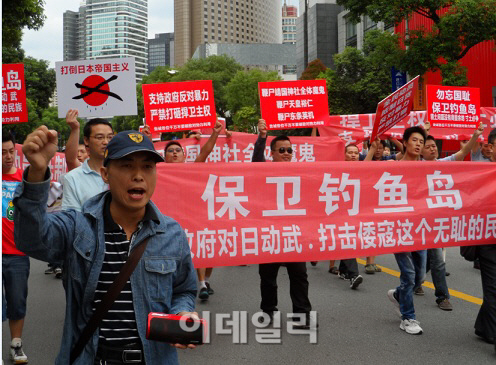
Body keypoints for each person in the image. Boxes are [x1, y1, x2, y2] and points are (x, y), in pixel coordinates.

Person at [14, 127, 198, 364]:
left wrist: (182, 313)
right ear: (105, 173)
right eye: (127, 165)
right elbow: (31, 239)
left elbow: (184, 289)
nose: (139, 175)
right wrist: (37, 174)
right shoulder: (78, 226)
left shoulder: (171, 233)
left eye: (147, 167)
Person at [252, 119, 315, 329]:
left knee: (299, 275)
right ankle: (268, 311)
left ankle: (302, 315)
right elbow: (255, 161)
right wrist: (262, 138)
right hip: (269, 233)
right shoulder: (263, 172)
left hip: (294, 234)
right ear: (272, 153)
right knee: (267, 277)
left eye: (289, 149)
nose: (287, 153)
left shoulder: (301, 172)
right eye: (282, 150)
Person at [164, 120, 226, 301]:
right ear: (164, 156)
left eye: (177, 151)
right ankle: (198, 285)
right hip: (170, 221)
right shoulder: (157, 171)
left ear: (184, 156)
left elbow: (205, 151)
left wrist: (214, 133)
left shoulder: (190, 169)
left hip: (194, 216)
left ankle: (204, 281)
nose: (174, 153)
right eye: (170, 151)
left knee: (205, 250)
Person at [386, 126, 428, 335]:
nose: (418, 144)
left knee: (419, 276)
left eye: (421, 140)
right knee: (409, 274)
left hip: (420, 229)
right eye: (414, 140)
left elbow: (457, 159)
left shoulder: (427, 168)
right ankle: (408, 317)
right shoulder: (392, 166)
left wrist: (475, 137)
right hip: (398, 229)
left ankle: (400, 295)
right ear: (404, 142)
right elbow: (361, 173)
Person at [2, 131, 29, 364]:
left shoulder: (23, 180)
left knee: (17, 300)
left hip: (17, 254)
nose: (8, 156)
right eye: (3, 153)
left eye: (11, 151)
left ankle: (16, 344)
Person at [329, 145, 363, 289]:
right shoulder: (337, 170)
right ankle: (354, 275)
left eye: (356, 153)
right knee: (348, 240)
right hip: (340, 212)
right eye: (350, 152)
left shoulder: (363, 170)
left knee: (349, 241)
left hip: (356, 212)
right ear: (344, 154)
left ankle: (344, 270)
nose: (354, 155)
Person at [474, 128, 496, 352]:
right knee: (492, 288)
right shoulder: (479, 171)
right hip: (488, 240)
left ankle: (484, 326)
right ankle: (492, 333)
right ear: (490, 148)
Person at [62, 118, 114, 211]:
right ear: (86, 140)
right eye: (100, 137)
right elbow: (72, 218)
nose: (106, 142)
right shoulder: (72, 178)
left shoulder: (124, 173)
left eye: (110, 137)